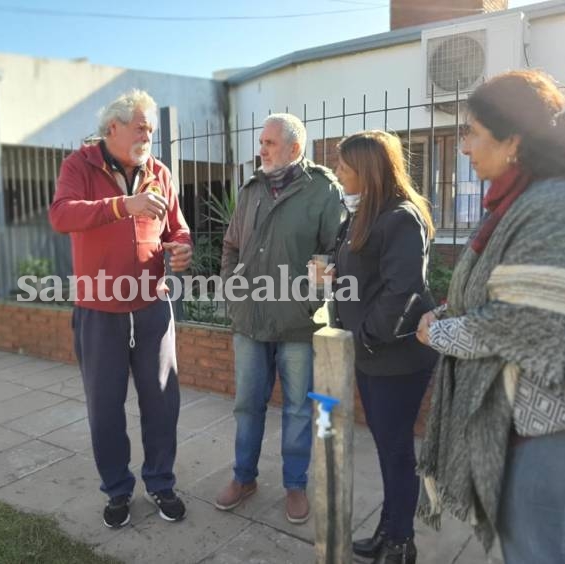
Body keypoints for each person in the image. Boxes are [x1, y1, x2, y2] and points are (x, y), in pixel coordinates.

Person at [416, 69, 565, 564]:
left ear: (514, 141)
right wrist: (445, 312)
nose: (462, 148)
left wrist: (439, 331)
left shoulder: (549, 205)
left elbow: (519, 324)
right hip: (515, 430)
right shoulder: (511, 202)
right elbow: (485, 291)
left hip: (542, 438)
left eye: (472, 133)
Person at [48, 89, 193, 528]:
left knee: (163, 402)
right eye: (141, 127)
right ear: (113, 128)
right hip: (99, 310)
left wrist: (182, 248)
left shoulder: (159, 172)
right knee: (105, 408)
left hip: (152, 307)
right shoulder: (80, 166)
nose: (148, 135)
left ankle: (161, 483)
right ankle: (117, 490)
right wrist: (120, 206)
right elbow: (62, 215)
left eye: (150, 128)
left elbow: (177, 227)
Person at [215, 113, 343, 524]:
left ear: (294, 148)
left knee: (298, 410)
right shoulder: (251, 189)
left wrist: (311, 303)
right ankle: (244, 477)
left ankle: (295, 485)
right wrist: (232, 293)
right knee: (247, 406)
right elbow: (231, 244)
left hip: (297, 324)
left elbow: (332, 252)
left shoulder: (322, 189)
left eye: (269, 143)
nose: (261, 149)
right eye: (261, 141)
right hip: (250, 321)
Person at [330, 130, 437, 564]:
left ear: (368, 173)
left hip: (395, 355)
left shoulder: (400, 217)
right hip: (372, 352)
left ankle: (400, 543)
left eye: (343, 167)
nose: (337, 174)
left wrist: (365, 338)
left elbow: (402, 291)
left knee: (395, 449)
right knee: (386, 445)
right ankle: (388, 529)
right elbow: (361, 273)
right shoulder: (360, 214)